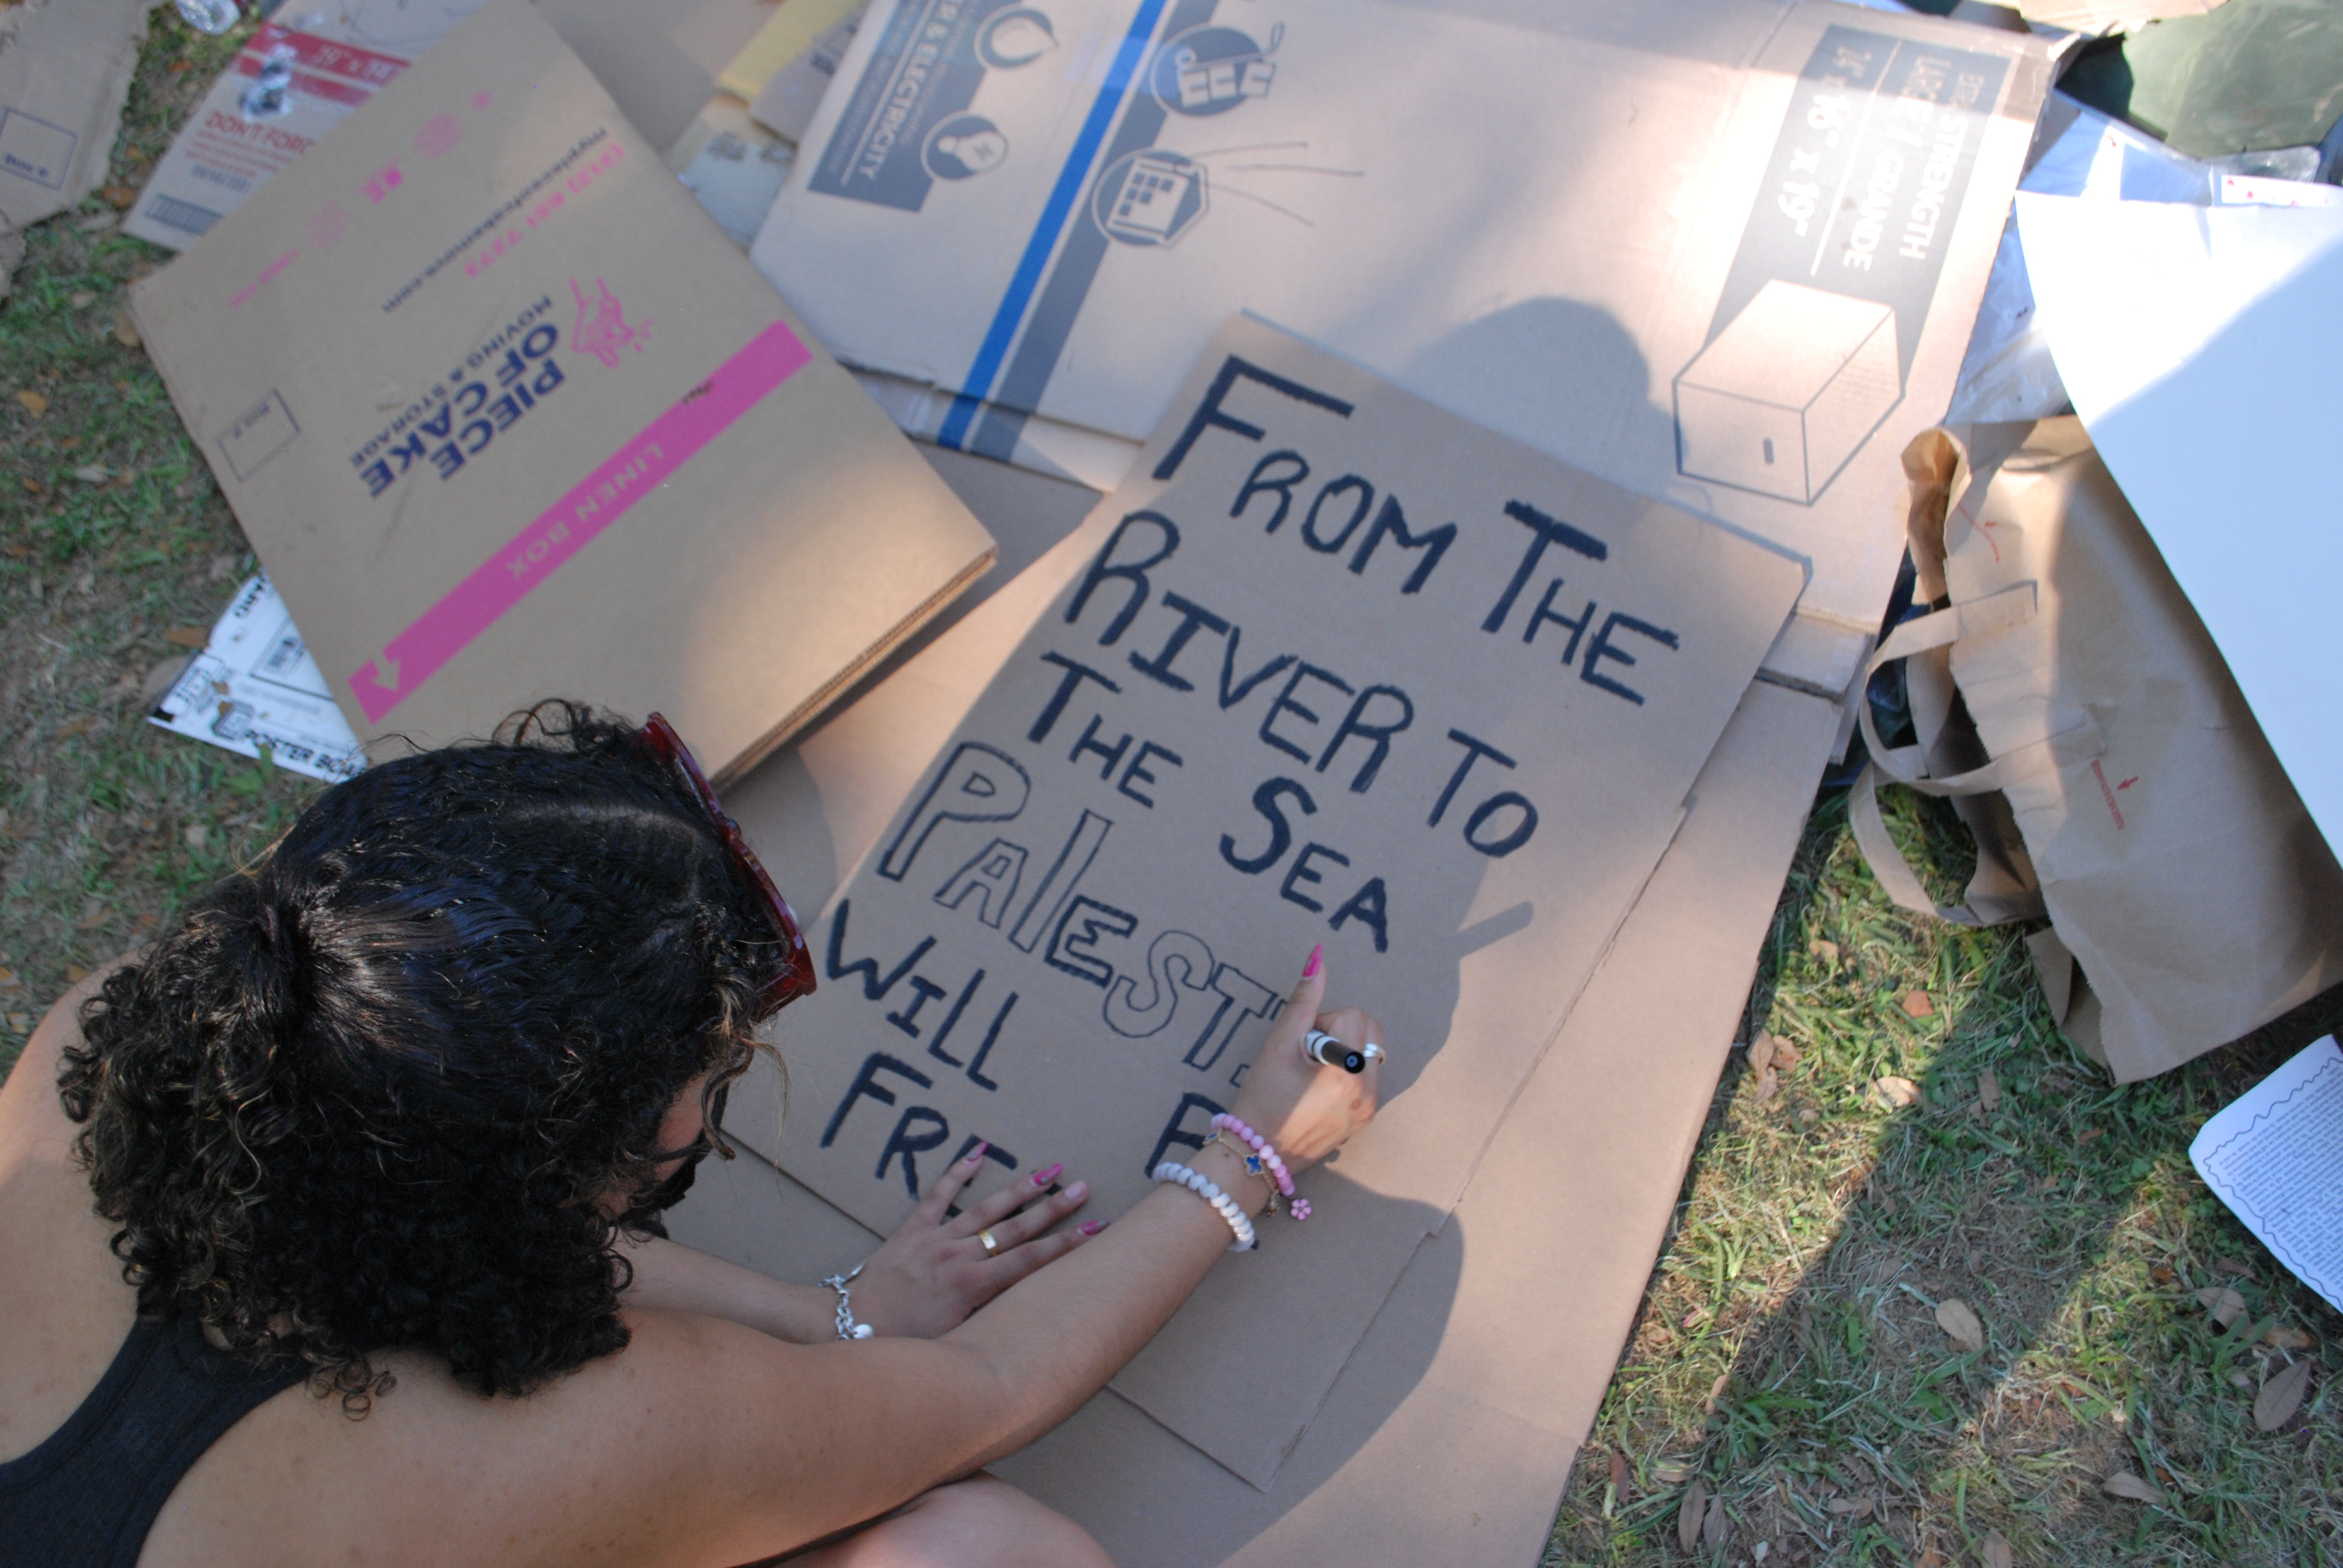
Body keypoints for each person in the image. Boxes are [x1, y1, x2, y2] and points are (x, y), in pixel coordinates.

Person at [0, 705, 1381, 1566]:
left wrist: (833, 1313)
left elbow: (470, 1240)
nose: (718, 1089)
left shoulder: (125, 1037)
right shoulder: (585, 1441)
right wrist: (1248, 1157)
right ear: (572, 1159)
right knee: (996, 1554)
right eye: (713, 1068)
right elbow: (993, 1389)